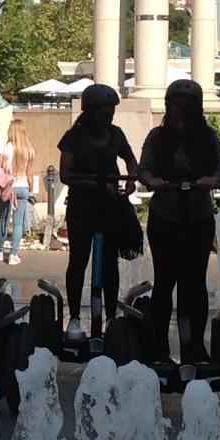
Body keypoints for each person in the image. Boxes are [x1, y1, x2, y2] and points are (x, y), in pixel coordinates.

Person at [137, 79, 220, 363]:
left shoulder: (208, 138)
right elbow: (144, 170)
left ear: (196, 110)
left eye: (185, 108)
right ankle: (159, 344)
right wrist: (154, 182)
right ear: (167, 107)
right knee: (165, 280)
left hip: (198, 215)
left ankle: (195, 345)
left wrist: (210, 181)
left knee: (194, 281)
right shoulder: (156, 137)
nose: (179, 114)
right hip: (165, 214)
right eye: (175, 107)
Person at [57, 83, 140, 342]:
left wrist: (131, 178)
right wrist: (96, 184)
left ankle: (111, 317)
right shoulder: (74, 137)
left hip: (110, 205)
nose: (108, 117)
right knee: (79, 260)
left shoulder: (115, 134)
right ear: (90, 111)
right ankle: (73, 317)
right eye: (103, 113)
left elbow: (130, 159)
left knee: (108, 265)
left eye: (111, 112)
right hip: (82, 206)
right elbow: (65, 174)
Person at [0, 118, 35, 265]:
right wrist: (31, 191)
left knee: (3, 220)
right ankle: (13, 254)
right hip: (23, 187)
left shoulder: (5, 148)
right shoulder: (29, 150)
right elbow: (30, 174)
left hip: (7, 187)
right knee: (18, 224)